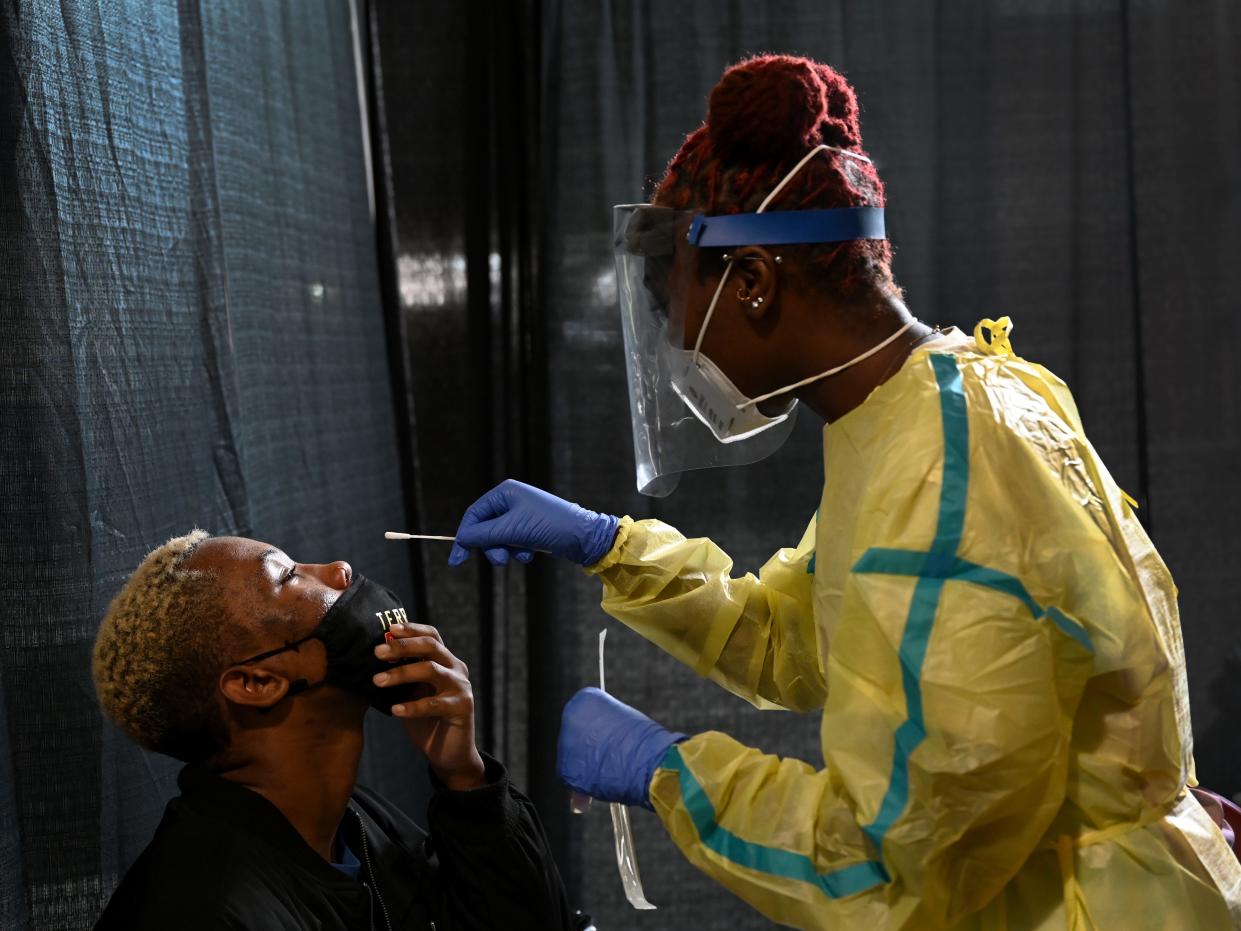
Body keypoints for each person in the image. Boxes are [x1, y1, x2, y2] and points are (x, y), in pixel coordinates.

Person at [447, 55, 1241, 930]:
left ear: (750, 282)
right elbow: (802, 638)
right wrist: (609, 546)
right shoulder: (932, 407)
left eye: (668, 299)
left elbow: (896, 868)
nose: (672, 340)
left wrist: (669, 770)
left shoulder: (940, 473)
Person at [92, 530, 579, 931]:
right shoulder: (205, 913)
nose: (339, 569)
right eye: (288, 575)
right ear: (257, 682)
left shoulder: (358, 823)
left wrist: (466, 779)